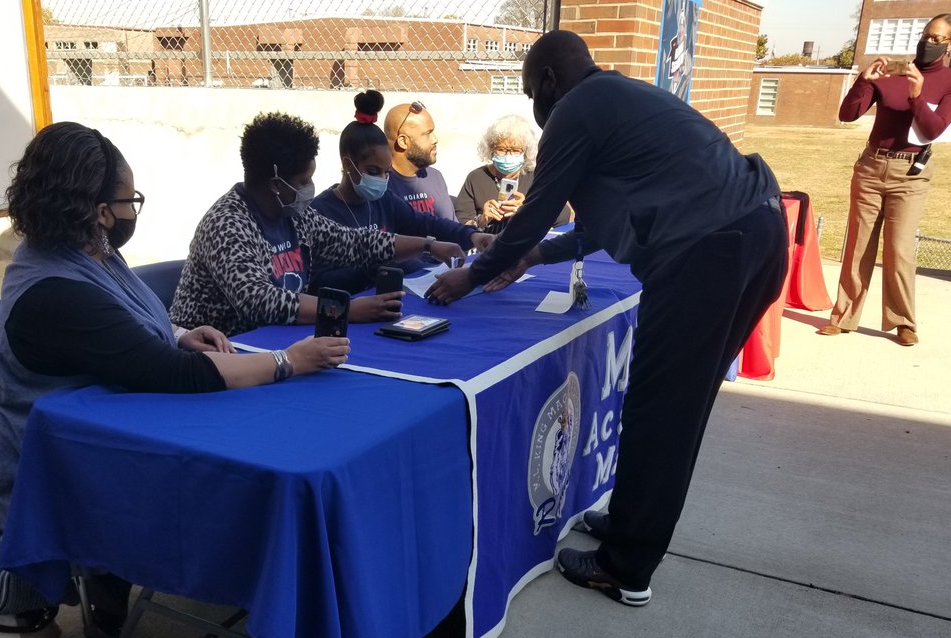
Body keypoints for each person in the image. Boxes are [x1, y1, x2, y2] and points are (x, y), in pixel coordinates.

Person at [426, 31, 788, 608]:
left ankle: (625, 568)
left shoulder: (577, 108)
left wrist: (471, 277)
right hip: (756, 232)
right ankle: (629, 523)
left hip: (711, 251)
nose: (536, 110)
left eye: (532, 93)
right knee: (677, 405)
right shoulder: (620, 99)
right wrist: (534, 256)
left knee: (663, 411)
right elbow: (604, 221)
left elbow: (537, 210)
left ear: (549, 80)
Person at [0, 121, 350, 536]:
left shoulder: (83, 250)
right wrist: (289, 360)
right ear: (101, 213)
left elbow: (119, 320)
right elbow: (175, 372)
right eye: (130, 201)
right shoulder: (57, 294)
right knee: (242, 498)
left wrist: (178, 334)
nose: (132, 212)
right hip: (42, 488)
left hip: (98, 440)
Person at [170, 112, 465, 335]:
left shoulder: (294, 215)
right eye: (304, 181)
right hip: (218, 352)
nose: (310, 188)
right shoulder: (227, 224)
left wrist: (429, 245)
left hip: (278, 342)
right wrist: (346, 310)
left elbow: (355, 243)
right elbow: (260, 302)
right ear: (276, 184)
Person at [821, 14, 951, 347]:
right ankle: (843, 317)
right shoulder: (891, 74)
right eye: (926, 35)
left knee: (899, 249)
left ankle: (903, 322)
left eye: (937, 39)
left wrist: (917, 95)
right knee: (858, 245)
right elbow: (847, 114)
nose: (928, 42)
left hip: (911, 174)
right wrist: (864, 81)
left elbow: (933, 129)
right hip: (871, 167)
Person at [310, 90, 493, 294]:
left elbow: (425, 223)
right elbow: (318, 282)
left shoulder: (383, 199)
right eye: (373, 171)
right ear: (348, 165)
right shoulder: (320, 213)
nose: (381, 179)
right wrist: (378, 266)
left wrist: (473, 236)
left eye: (386, 172)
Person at [453, 114, 571, 234]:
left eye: (515, 150)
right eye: (501, 149)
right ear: (491, 149)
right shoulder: (476, 178)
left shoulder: (536, 177)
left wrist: (527, 210)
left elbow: (562, 216)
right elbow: (460, 222)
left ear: (525, 151)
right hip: (487, 242)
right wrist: (482, 219)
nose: (508, 155)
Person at [382, 100, 456, 220]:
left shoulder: (435, 177)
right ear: (403, 142)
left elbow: (452, 227)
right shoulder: (380, 187)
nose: (435, 139)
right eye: (427, 134)